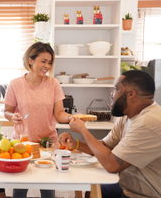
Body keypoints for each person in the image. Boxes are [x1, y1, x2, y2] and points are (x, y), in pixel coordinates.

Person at [59, 70, 161, 198]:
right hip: (127, 186)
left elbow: (111, 164)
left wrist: (83, 130)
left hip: (144, 194)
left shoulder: (148, 122)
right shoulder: (128, 116)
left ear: (131, 94)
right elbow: (105, 146)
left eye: (116, 89)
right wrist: (75, 143)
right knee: (93, 190)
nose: (112, 94)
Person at [4, 42, 72, 198]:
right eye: (43, 61)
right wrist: (12, 117)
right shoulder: (15, 85)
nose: (47, 66)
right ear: (30, 60)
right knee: (20, 189)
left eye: (49, 62)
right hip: (23, 145)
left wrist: (70, 118)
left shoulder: (53, 83)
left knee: (48, 188)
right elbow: (7, 111)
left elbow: (59, 113)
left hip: (48, 144)